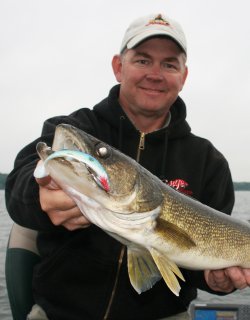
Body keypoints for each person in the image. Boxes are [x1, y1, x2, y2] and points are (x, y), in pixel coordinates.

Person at [5, 12, 250, 320]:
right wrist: (38, 194)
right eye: (143, 60)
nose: (155, 74)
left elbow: (201, 262)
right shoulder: (74, 127)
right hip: (61, 312)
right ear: (118, 67)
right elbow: (20, 185)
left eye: (169, 64)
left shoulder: (208, 161)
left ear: (184, 77)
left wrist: (216, 280)